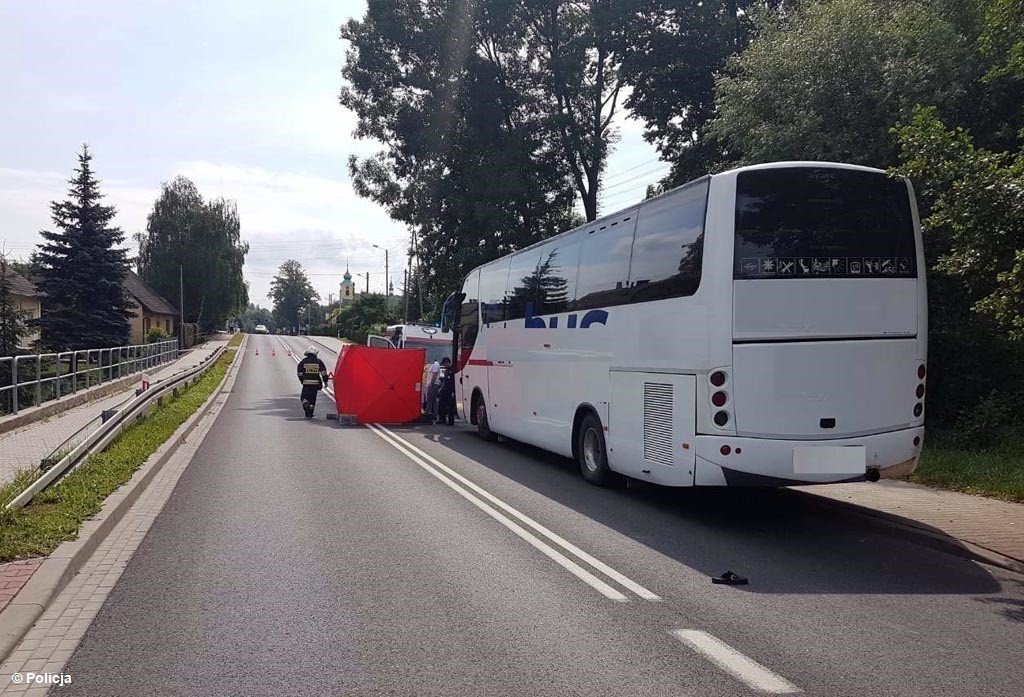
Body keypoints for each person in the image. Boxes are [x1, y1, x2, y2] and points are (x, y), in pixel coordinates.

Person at [297, 347, 330, 418]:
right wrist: (325, 382)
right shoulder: (319, 362)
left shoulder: (303, 362)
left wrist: (302, 380)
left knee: (304, 397)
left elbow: (300, 373)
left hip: (306, 384)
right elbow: (323, 373)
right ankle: (310, 413)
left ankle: (305, 403)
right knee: (312, 399)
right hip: (315, 384)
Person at [436, 357, 456, 425]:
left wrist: (454, 392)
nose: (444, 365)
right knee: (441, 404)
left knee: (450, 407)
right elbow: (445, 381)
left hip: (450, 391)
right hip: (444, 391)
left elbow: (454, 382)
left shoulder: (453, 370)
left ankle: (451, 421)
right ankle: (442, 419)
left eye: (444, 364)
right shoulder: (446, 370)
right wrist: (441, 388)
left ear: (447, 362)